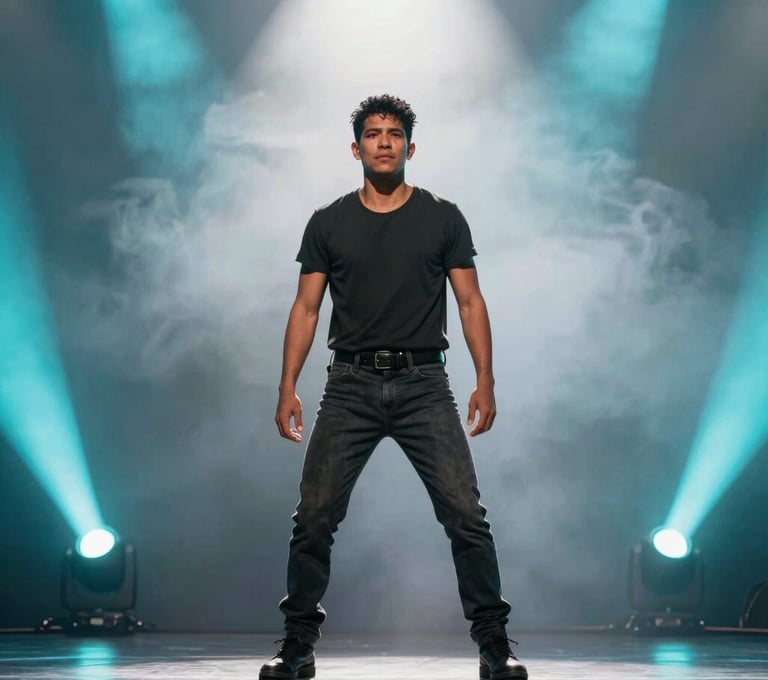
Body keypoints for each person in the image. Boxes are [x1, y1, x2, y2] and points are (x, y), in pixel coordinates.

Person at [260, 94, 527, 680]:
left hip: (424, 383)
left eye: (395, 133)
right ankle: (297, 646)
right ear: (356, 148)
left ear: (410, 146)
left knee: (466, 516)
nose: (384, 141)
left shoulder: (443, 217)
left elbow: (470, 301)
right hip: (349, 384)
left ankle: (494, 645)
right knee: (314, 517)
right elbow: (306, 308)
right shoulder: (328, 221)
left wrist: (485, 379)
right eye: (373, 133)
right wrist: (287, 386)